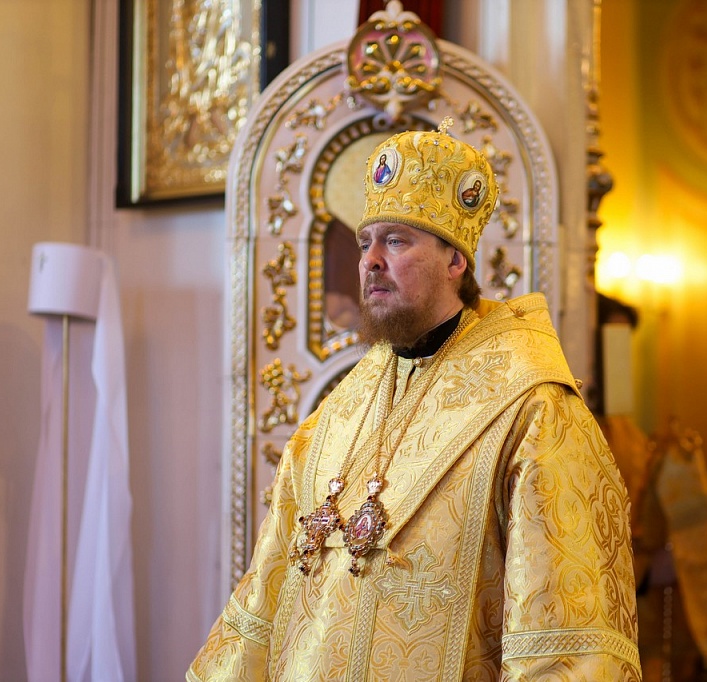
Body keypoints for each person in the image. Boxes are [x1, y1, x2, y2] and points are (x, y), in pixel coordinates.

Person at [188, 119, 642, 680]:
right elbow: (264, 598)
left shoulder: (533, 411)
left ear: (456, 262)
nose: (370, 260)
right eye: (365, 243)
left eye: (396, 241)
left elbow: (563, 641)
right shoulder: (335, 415)